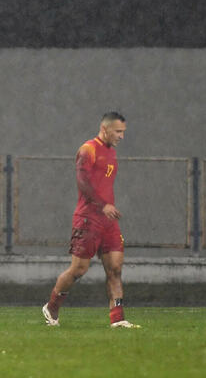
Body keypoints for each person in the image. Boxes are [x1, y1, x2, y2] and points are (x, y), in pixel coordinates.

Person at [43, 111, 140, 328]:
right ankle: (52, 306)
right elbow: (83, 181)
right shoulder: (88, 149)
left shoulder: (111, 153)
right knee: (78, 270)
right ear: (104, 129)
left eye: (123, 132)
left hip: (108, 222)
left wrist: (108, 208)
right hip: (87, 220)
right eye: (118, 131)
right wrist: (102, 205)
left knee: (115, 269)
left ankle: (118, 318)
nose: (122, 136)